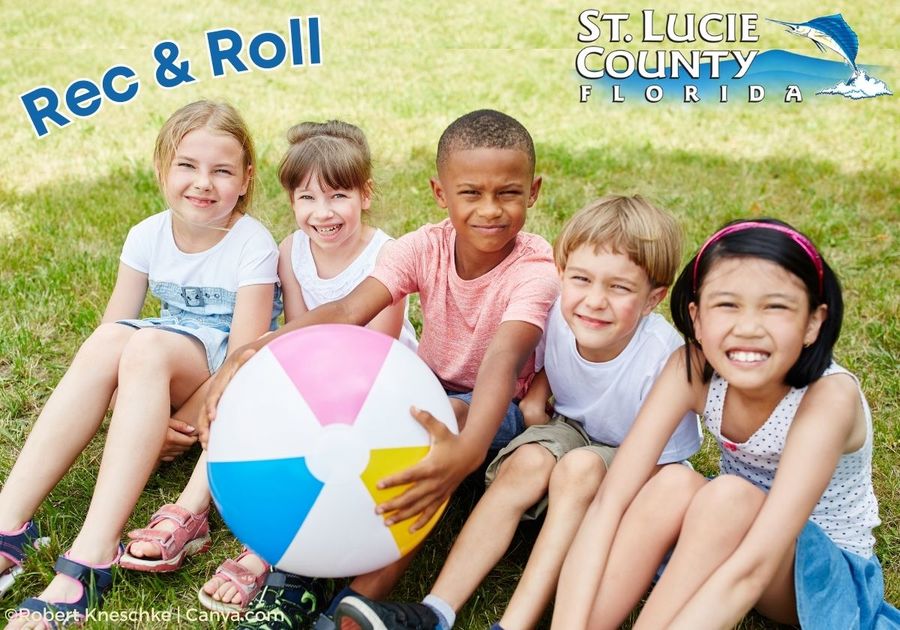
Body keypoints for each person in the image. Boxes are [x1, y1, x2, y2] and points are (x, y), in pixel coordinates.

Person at [200, 109, 560, 629]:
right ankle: (292, 581)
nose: (490, 210)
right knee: (340, 423)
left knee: (422, 442)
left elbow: (502, 362)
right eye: (470, 193)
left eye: (508, 193)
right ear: (440, 193)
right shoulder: (423, 246)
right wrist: (253, 350)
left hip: (492, 410)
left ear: (534, 191)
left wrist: (466, 450)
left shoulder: (535, 271)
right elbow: (347, 312)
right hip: (426, 386)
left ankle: (353, 609)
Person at [334, 195, 703, 630]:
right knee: (526, 462)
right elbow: (550, 360)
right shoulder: (559, 315)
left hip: (637, 459)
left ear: (652, 298)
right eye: (581, 279)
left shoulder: (664, 358)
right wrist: (535, 395)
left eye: (619, 287)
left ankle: (513, 625)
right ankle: (435, 611)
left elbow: (667, 463)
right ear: (561, 275)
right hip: (570, 428)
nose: (594, 301)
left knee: (579, 468)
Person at [0, 100, 280, 627]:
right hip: (156, 372)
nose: (203, 183)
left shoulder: (253, 245)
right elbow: (110, 333)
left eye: (222, 171)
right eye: (187, 166)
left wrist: (185, 423)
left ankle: (92, 552)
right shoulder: (146, 235)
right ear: (161, 169)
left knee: (146, 345)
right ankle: (8, 521)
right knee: (111, 341)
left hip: (217, 380)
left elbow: (241, 361)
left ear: (245, 180)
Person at [119, 119, 417, 615]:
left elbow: (377, 349)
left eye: (338, 196)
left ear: (366, 195)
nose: (323, 214)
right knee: (250, 382)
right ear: (291, 202)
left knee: (308, 439)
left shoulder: (389, 255)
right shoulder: (290, 252)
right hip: (315, 373)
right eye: (307, 199)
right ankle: (192, 508)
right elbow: (297, 334)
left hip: (372, 391)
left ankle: (264, 548)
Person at [552, 219, 900, 629]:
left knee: (727, 496)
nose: (748, 327)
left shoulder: (829, 399)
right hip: (726, 535)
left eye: (776, 307)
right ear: (696, 319)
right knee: (672, 483)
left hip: (823, 574)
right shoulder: (692, 367)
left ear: (813, 322)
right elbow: (609, 502)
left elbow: (755, 566)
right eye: (727, 305)